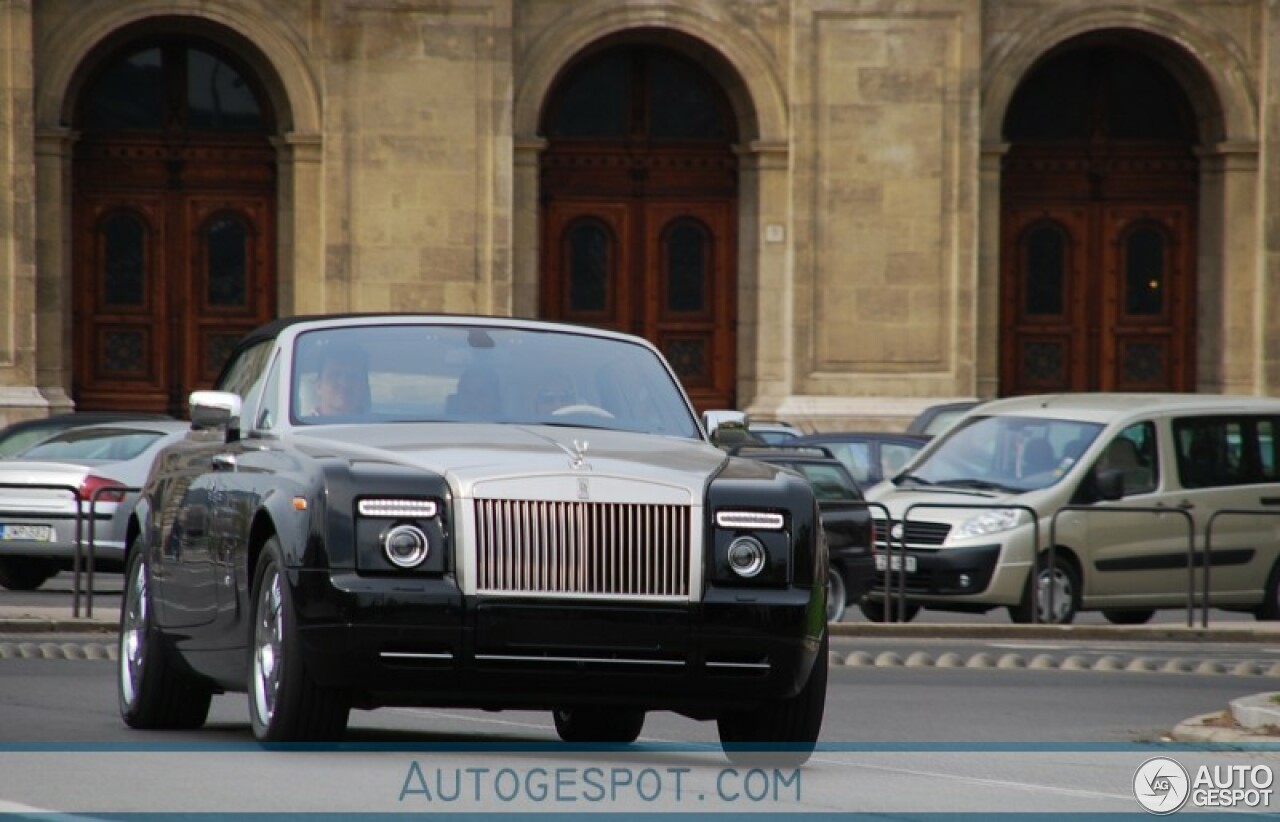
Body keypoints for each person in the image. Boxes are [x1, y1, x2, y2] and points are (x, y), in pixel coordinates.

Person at [311, 344, 371, 416]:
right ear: (318, 386)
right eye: (334, 376)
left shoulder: (380, 426)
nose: (344, 383)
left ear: (364, 386)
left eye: (352, 377)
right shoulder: (299, 427)